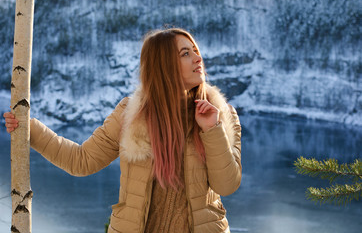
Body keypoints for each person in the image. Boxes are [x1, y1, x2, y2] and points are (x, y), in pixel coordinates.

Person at [3, 28, 242, 233]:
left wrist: (212, 129)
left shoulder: (222, 115)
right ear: (163, 66)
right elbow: (81, 161)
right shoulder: (132, 113)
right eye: (186, 53)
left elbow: (227, 185)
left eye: (196, 51)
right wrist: (29, 129)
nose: (198, 58)